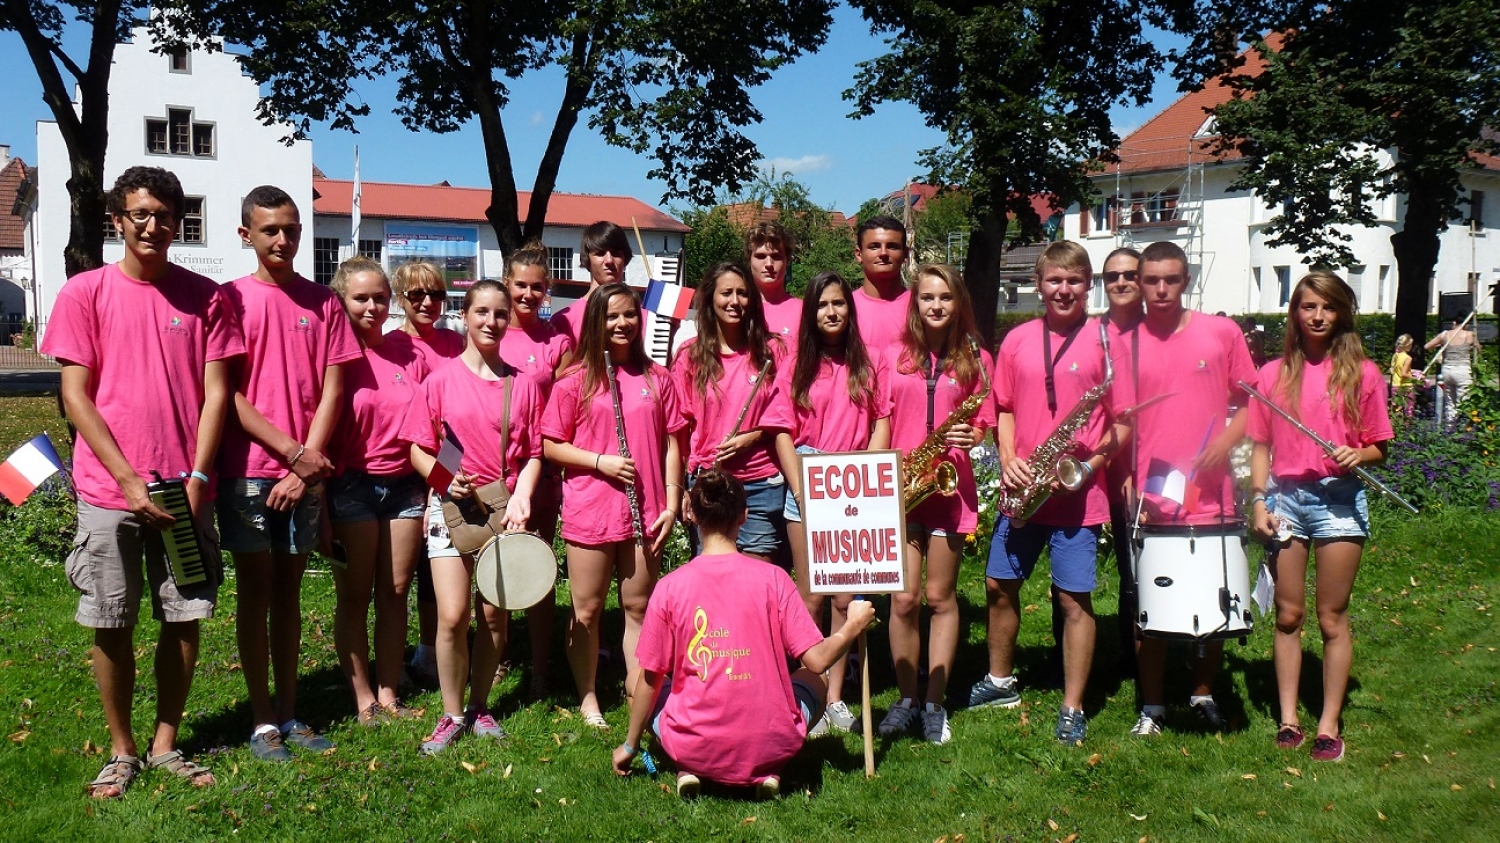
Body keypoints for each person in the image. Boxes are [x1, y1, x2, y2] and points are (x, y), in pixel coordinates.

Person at [42, 166, 242, 798]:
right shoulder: (85, 293)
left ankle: (164, 744)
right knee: (113, 621)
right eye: (140, 214)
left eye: (164, 214)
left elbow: (217, 396)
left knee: (183, 618)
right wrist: (127, 479)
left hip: (186, 490)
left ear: (179, 220)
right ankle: (122, 749)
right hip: (109, 493)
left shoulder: (208, 297)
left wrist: (201, 476)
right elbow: (75, 395)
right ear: (118, 220)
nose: (153, 225)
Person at [611, 469, 877, 799]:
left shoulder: (669, 588)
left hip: (691, 743)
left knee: (635, 677)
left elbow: (651, 679)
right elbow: (817, 659)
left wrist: (630, 745)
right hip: (773, 742)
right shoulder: (775, 579)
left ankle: (688, 766)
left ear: (691, 515)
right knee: (816, 679)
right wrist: (852, 625)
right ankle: (768, 771)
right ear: (744, 516)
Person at [219, 185, 360, 761]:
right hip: (249, 472)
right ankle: (261, 720)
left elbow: (333, 389)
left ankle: (290, 709)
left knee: (290, 595)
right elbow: (224, 393)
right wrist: (289, 452)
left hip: (303, 477)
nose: (283, 239)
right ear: (246, 234)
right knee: (255, 594)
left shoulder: (324, 303)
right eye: (270, 229)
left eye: (292, 229)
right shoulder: (228, 299)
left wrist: (306, 466)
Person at [973, 242, 1128, 746]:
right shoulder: (1017, 339)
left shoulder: (1108, 340)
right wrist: (1009, 456)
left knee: (1073, 600)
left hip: (1078, 494)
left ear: (1089, 286)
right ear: (1039, 285)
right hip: (1025, 485)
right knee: (999, 585)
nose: (1064, 290)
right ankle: (1000, 682)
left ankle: (1073, 705)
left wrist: (1089, 466)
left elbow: (1123, 422)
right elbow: (1005, 406)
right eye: (1055, 280)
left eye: (1075, 281)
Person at [1248, 271, 1393, 762]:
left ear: (1341, 314)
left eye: (1327, 308)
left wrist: (1360, 454)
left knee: (1332, 617)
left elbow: (1379, 447)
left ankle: (1329, 724)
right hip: (1286, 500)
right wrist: (1258, 499)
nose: (1317, 316)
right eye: (1307, 306)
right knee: (1288, 614)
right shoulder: (1273, 374)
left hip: (1338, 500)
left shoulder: (1363, 374)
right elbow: (1261, 444)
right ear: (1294, 312)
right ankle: (1289, 718)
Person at [401, 280, 545, 754]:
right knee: (452, 616)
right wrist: (444, 480)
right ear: (465, 316)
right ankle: (451, 713)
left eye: (500, 314)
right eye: (481, 311)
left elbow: (533, 454)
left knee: (495, 618)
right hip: (450, 510)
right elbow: (420, 447)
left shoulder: (520, 385)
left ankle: (481, 706)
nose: (491, 322)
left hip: (502, 514)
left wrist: (523, 495)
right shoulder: (439, 380)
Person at [1119, 241, 1255, 738]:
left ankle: (1202, 694)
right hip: (1156, 494)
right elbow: (1123, 419)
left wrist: (1224, 443)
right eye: (1150, 280)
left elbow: (1252, 402)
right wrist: (1127, 473)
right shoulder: (1128, 342)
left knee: (1216, 599)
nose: (1159, 290)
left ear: (1186, 280)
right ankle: (1151, 706)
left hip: (1211, 492)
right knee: (1150, 606)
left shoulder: (1221, 333)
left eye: (1170, 280)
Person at [542, 283, 686, 729]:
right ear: (596, 323)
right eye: (611, 316)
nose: (622, 324)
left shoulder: (659, 379)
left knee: (639, 609)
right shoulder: (575, 380)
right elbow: (550, 445)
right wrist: (600, 461)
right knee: (586, 610)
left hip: (648, 509)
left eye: (629, 315)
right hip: (592, 507)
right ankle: (587, 697)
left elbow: (673, 444)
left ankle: (635, 691)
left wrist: (672, 500)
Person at [766, 270, 891, 736]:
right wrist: (801, 490)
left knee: (845, 594)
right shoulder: (795, 363)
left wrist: (870, 474)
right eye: (822, 305)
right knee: (812, 594)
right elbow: (781, 431)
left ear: (849, 309)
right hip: (808, 477)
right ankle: (807, 691)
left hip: (855, 480)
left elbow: (882, 420)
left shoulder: (870, 361)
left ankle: (836, 698)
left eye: (839, 303)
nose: (831, 312)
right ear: (811, 314)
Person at [878, 264, 994, 745]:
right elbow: (882, 418)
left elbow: (983, 421)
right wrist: (876, 475)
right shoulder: (893, 355)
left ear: (958, 302)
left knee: (940, 599)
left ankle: (934, 704)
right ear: (915, 302)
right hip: (903, 488)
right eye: (927, 297)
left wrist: (974, 433)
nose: (936, 306)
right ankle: (906, 698)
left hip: (949, 489)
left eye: (945, 297)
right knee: (903, 599)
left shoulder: (976, 359)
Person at [327, 257, 429, 724]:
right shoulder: (331, 356)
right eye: (361, 298)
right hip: (351, 487)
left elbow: (433, 426)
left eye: (381, 298)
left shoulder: (411, 353)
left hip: (406, 487)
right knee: (355, 595)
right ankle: (362, 696)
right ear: (341, 300)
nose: (373, 306)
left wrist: (437, 489)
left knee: (395, 591)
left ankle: (389, 693)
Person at [671, 263, 789, 566]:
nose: (734, 301)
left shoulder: (773, 352)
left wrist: (754, 436)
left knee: (755, 577)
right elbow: (679, 430)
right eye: (726, 293)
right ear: (710, 299)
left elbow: (789, 417)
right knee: (711, 576)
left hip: (760, 482)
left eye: (742, 293)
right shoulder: (689, 356)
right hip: (709, 481)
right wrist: (684, 488)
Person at [499, 241, 576, 698]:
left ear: (547, 290)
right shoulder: (489, 329)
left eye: (537, 287)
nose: (528, 294)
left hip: (542, 470)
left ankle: (541, 663)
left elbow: (567, 404)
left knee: (541, 564)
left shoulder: (557, 341)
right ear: (507, 284)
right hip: (496, 470)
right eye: (520, 285)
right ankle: (499, 652)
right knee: (498, 565)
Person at [392, 261, 463, 682]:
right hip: (401, 470)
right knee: (402, 573)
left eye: (435, 294)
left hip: (446, 472)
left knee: (437, 564)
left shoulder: (455, 344)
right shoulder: (390, 344)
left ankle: (431, 649)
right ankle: (396, 657)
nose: (426, 303)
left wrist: (443, 479)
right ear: (401, 296)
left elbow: (457, 424)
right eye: (416, 295)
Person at [1100, 248, 1145, 677]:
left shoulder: (1158, 330)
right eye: (1112, 275)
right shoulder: (1094, 332)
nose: (1121, 282)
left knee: (1142, 565)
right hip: (1101, 467)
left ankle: (1143, 655)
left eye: (1130, 274)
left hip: (1149, 463)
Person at [550, 221, 632, 346]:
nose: (609, 260)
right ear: (587, 259)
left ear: (625, 258)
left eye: (616, 253)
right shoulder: (564, 320)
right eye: (600, 253)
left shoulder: (642, 318)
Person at [852, 215, 912, 356]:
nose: (883, 253)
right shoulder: (843, 308)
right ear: (859, 254)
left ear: (905, 254)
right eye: (874, 247)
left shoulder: (921, 307)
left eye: (892, 246)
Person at [745, 221, 802, 346]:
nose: (769, 264)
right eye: (761, 256)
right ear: (749, 260)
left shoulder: (804, 311)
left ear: (787, 261)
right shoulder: (737, 309)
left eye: (776, 256)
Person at [1425, 319, 1480, 428]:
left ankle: (1450, 426)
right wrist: (1471, 347)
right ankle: (1462, 426)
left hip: (1447, 370)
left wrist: (1441, 345)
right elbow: (1479, 349)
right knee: (1463, 400)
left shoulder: (1445, 334)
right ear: (1466, 324)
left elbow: (1427, 346)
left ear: (1454, 323)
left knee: (1450, 401)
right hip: (1463, 370)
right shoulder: (1469, 335)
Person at [1389, 334, 1420, 416]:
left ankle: (1395, 427)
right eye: (1411, 344)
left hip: (1396, 385)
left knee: (1395, 410)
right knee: (1408, 409)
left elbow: (1397, 369)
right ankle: (1407, 427)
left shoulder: (1395, 355)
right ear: (1407, 345)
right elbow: (1404, 373)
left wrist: (1411, 371)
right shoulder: (1408, 358)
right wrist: (1415, 379)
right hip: (1406, 386)